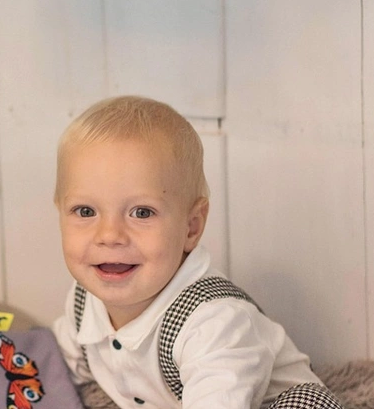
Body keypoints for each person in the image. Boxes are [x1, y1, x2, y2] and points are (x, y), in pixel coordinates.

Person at [52, 96, 342, 408]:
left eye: (142, 213)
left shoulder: (213, 323)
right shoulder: (84, 300)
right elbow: (50, 366)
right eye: (85, 211)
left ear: (191, 227)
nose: (109, 236)